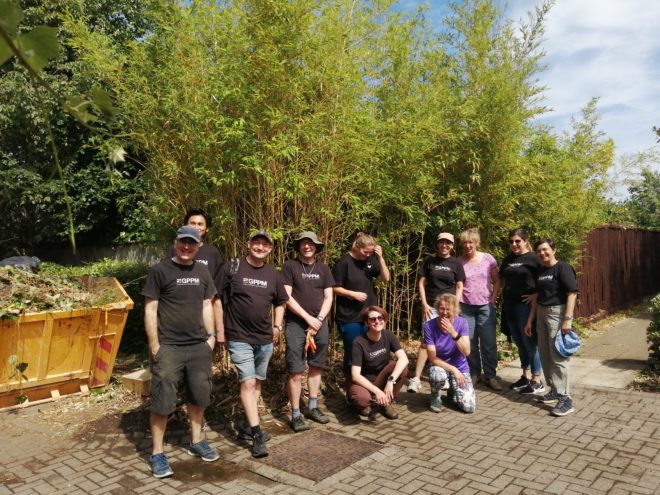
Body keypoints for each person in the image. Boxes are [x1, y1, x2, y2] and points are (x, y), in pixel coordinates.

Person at [142, 226, 220, 479]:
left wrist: (211, 337)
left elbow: (207, 304)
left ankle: (196, 441)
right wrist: (155, 344)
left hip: (198, 346)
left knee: (199, 397)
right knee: (163, 401)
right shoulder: (160, 270)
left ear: (199, 245)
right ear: (176, 242)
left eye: (192, 243)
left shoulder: (202, 270)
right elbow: (150, 309)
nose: (187, 247)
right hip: (170, 347)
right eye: (183, 242)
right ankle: (157, 453)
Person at [217, 230, 288, 457]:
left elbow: (280, 302)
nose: (260, 247)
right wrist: (219, 331)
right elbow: (215, 298)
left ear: (269, 249)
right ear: (248, 244)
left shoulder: (273, 274)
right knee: (247, 384)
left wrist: (277, 326)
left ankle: (247, 426)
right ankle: (257, 434)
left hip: (264, 339)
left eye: (265, 245)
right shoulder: (232, 267)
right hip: (239, 336)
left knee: (257, 383)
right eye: (256, 243)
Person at [281, 231, 335, 432]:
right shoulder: (290, 266)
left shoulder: (323, 268)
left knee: (316, 366)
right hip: (296, 323)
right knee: (295, 370)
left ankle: (312, 406)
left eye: (311, 243)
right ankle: (295, 414)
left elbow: (329, 297)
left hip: (320, 323)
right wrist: (308, 318)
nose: (307, 246)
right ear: (299, 246)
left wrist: (319, 320)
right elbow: (286, 297)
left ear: (316, 247)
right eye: (304, 243)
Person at [524, 238, 578, 417]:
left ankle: (565, 398)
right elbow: (537, 297)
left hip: (557, 313)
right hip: (541, 312)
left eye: (545, 250)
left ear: (553, 249)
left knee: (558, 356)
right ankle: (554, 389)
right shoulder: (541, 270)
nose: (542, 253)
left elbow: (571, 294)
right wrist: (530, 320)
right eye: (539, 251)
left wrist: (567, 320)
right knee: (545, 354)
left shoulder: (563, 268)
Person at [408, 232, 465, 393]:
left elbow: (460, 286)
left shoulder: (456, 263)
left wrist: (455, 306)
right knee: (426, 342)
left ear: (452, 246)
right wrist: (424, 303)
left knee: (450, 340)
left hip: (449, 309)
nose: (444, 246)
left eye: (448, 243)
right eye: (442, 243)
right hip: (431, 307)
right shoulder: (429, 260)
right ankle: (416, 378)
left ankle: (445, 374)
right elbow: (421, 282)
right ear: (438, 244)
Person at [332, 233, 390, 375]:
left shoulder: (370, 260)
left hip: (369, 315)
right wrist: (352, 294)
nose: (368, 254)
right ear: (357, 247)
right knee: (353, 352)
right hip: (349, 316)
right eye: (365, 251)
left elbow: (385, 278)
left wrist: (380, 258)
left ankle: (370, 383)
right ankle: (351, 386)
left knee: (371, 350)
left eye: (371, 252)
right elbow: (333, 288)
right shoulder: (344, 263)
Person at [499, 227, 545, 395]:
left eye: (518, 241)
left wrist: (536, 294)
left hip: (526, 307)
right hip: (510, 305)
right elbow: (502, 279)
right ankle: (525, 376)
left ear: (526, 241)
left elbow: (548, 278)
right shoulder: (508, 259)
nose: (514, 244)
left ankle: (537, 379)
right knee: (519, 342)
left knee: (530, 343)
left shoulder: (534, 258)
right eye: (511, 241)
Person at [348, 306, 409, 419]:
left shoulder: (388, 335)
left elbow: (404, 359)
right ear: (367, 323)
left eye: (380, 318)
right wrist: (377, 391)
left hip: (382, 378)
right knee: (363, 402)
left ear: (384, 320)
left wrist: (390, 381)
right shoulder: (358, 342)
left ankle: (386, 403)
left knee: (401, 368)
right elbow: (355, 375)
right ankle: (364, 402)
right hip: (364, 382)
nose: (377, 321)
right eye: (373, 319)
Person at [459, 228, 501, 390]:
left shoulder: (488, 259)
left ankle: (490, 376)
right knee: (469, 342)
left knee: (489, 342)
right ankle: (474, 373)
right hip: (466, 307)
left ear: (476, 243)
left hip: (485, 307)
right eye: (465, 243)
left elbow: (497, 281)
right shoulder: (459, 262)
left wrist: (493, 299)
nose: (468, 245)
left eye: (471, 242)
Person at [425, 293, 475, 413]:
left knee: (468, 408)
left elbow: (467, 352)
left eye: (449, 309)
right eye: (442, 308)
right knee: (437, 375)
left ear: (455, 310)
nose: (445, 312)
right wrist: (453, 369)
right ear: (437, 308)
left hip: (460, 367)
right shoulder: (429, 326)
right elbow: (432, 357)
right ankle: (435, 395)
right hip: (439, 366)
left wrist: (453, 333)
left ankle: (452, 389)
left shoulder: (462, 323)